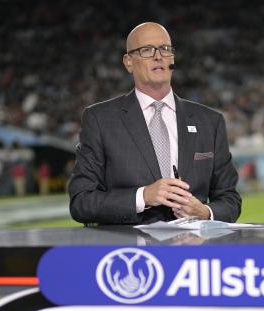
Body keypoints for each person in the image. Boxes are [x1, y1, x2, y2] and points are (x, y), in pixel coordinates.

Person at [69, 22, 241, 225]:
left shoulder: (210, 121)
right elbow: (81, 202)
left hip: (191, 248)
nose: (158, 56)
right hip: (131, 248)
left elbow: (230, 199)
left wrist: (204, 212)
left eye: (165, 49)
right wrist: (143, 196)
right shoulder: (100, 119)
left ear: (172, 59)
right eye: (147, 50)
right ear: (128, 62)